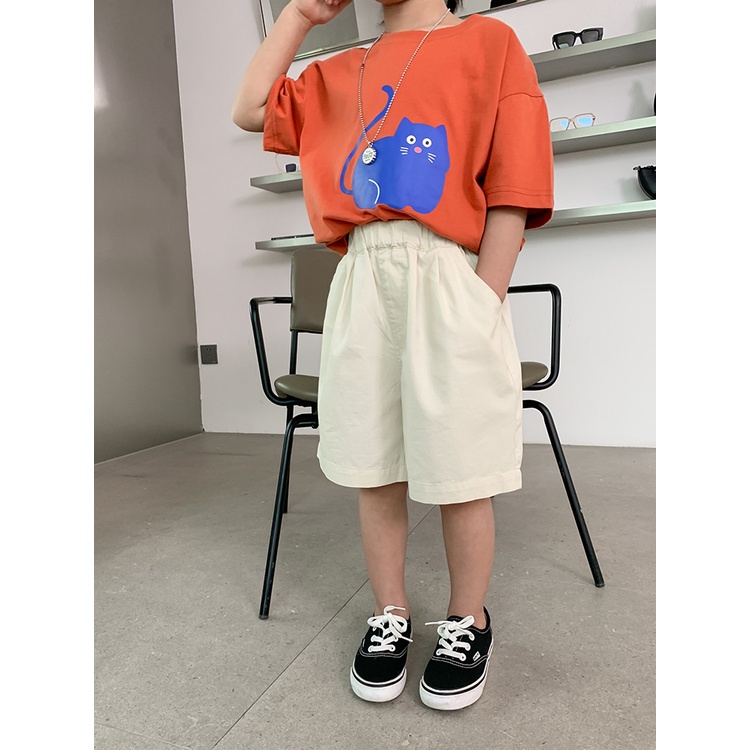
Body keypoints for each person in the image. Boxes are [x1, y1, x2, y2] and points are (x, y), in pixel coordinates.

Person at [232, 0, 553, 711]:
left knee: (461, 464)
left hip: (449, 271)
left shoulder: (488, 42)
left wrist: (484, 295)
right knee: (372, 461)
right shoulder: (336, 69)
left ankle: (468, 620)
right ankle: (391, 613)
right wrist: (299, 15)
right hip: (361, 273)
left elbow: (514, 182)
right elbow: (250, 109)